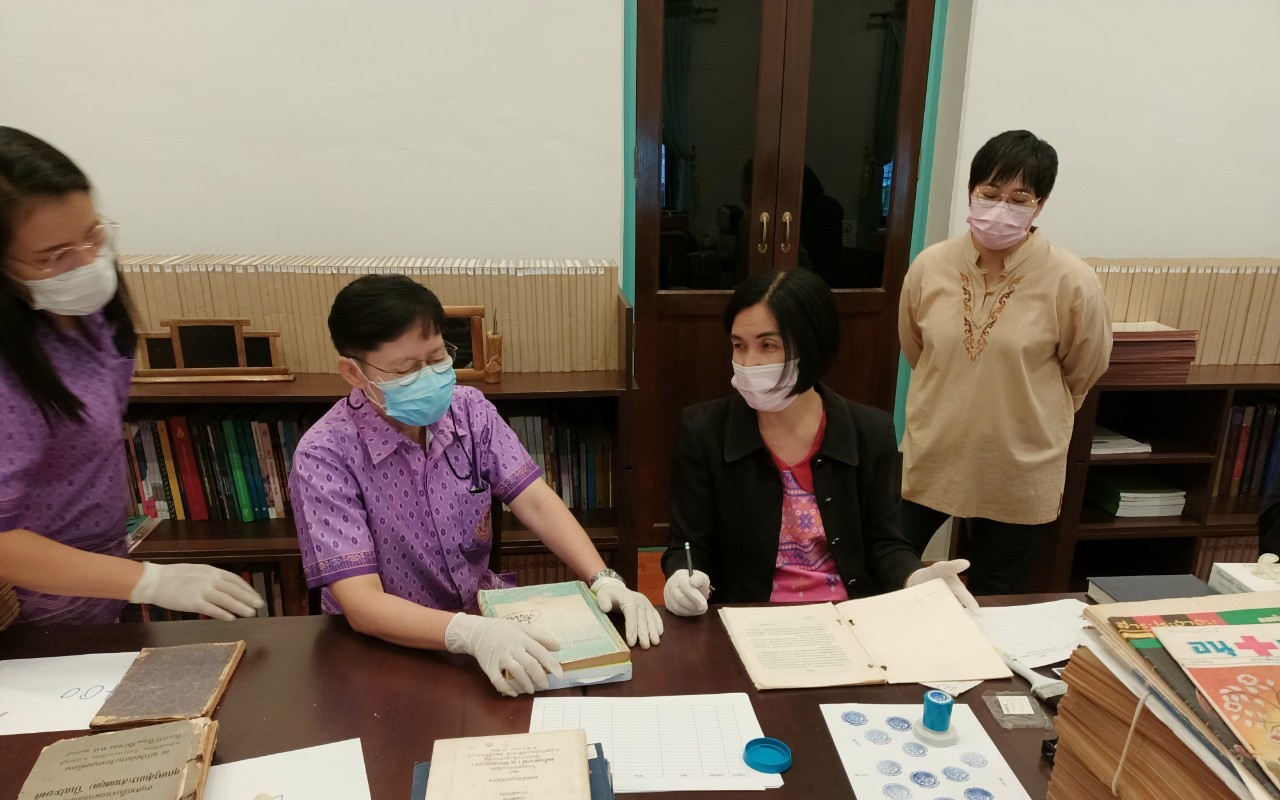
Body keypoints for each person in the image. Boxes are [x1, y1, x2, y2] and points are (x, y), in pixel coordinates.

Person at [288, 275, 662, 696]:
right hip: (385, 649)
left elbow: (536, 501)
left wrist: (604, 578)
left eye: (437, 358)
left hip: (486, 623)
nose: (428, 377)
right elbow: (362, 603)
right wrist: (470, 633)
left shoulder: (468, 410)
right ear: (353, 372)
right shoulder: (324, 454)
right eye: (406, 369)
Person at [0, 127, 263, 625]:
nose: (87, 262)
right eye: (54, 256)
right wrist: (149, 582)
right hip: (33, 601)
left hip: (97, 572)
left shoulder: (86, 313)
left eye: (93, 234)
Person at [660, 267, 976, 616]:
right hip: (750, 617)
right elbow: (687, 545)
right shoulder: (703, 430)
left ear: (811, 347)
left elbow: (885, 543)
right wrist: (682, 578)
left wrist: (915, 577)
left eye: (768, 345)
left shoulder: (870, 431)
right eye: (739, 346)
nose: (748, 363)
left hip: (848, 615)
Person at [898, 130, 1112, 595]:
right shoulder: (930, 266)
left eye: (1019, 199)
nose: (1000, 208)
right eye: (990, 193)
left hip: (1019, 463)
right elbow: (917, 349)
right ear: (970, 191)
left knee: (997, 595)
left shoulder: (1072, 280)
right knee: (889, 570)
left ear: (1041, 205)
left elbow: (1084, 369)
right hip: (935, 448)